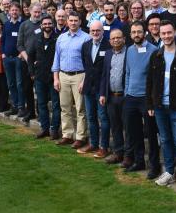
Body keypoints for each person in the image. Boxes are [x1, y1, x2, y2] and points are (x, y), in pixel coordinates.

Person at [147, 20, 176, 195]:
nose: (166, 36)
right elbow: (150, 82)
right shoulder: (156, 55)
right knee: (165, 140)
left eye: (169, 32)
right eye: (163, 33)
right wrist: (150, 103)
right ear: (159, 35)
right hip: (160, 106)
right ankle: (169, 172)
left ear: (175, 32)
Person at [122, 20, 160, 179]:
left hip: (146, 99)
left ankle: (154, 166)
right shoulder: (129, 50)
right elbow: (128, 73)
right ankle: (139, 161)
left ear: (145, 33)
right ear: (130, 34)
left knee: (151, 133)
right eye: (133, 32)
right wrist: (126, 93)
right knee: (134, 132)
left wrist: (152, 99)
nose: (136, 34)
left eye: (139, 31)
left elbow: (155, 78)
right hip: (131, 97)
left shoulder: (154, 50)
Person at [52, 12, 91, 147]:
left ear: (80, 22)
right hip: (63, 75)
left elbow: (89, 62)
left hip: (79, 75)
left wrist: (85, 80)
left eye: (76, 20)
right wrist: (56, 78)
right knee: (65, 107)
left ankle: (81, 136)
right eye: (71, 20)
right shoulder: (61, 38)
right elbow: (56, 59)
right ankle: (67, 134)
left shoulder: (86, 38)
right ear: (67, 22)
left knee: (80, 109)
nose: (73, 23)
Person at [79, 21, 111, 157]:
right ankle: (93, 144)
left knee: (103, 117)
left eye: (98, 30)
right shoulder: (85, 46)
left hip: (102, 88)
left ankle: (104, 146)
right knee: (91, 117)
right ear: (89, 32)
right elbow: (86, 66)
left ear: (103, 31)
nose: (95, 33)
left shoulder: (108, 45)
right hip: (88, 87)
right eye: (93, 31)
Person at [27, 15, 61, 140]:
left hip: (54, 77)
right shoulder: (36, 39)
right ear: (41, 26)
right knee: (41, 104)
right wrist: (32, 73)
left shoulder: (58, 39)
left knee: (56, 105)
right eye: (45, 24)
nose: (47, 26)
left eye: (49, 23)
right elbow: (30, 57)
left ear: (53, 24)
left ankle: (54, 130)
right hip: (39, 77)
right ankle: (44, 128)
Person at [99, 28, 127, 165]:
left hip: (125, 96)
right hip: (111, 96)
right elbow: (105, 75)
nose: (116, 40)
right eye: (113, 38)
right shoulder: (108, 54)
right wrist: (103, 93)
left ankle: (129, 154)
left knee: (128, 127)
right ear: (109, 41)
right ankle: (118, 153)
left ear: (124, 39)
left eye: (118, 37)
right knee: (115, 127)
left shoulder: (129, 53)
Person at [1, 2, 23, 116]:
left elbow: (26, 41)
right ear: (9, 11)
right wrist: (3, 53)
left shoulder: (23, 24)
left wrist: (21, 54)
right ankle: (14, 106)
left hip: (18, 58)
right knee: (11, 84)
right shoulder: (6, 24)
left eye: (16, 10)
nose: (14, 12)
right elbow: (3, 40)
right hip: (7, 59)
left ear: (19, 11)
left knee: (19, 84)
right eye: (12, 10)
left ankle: (21, 107)